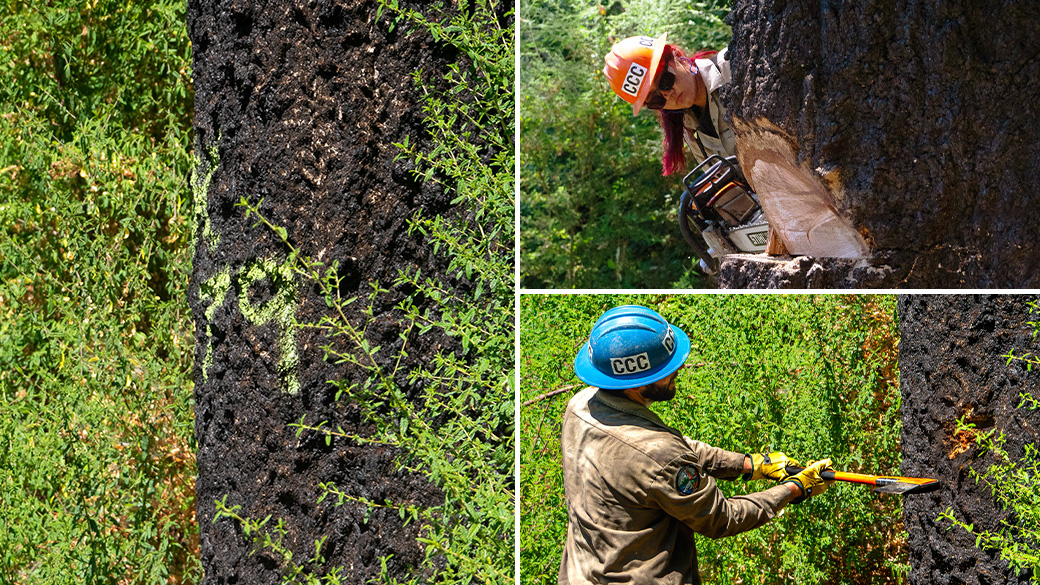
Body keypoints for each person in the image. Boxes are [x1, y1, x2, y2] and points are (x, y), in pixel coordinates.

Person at [559, 305, 834, 585]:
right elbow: (722, 518)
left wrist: (752, 465)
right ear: (635, 381)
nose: (677, 368)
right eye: (665, 367)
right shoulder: (660, 455)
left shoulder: (581, 406)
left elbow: (673, 450)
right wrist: (793, 490)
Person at [603, 33, 736, 175]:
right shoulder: (691, 132)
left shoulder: (734, 68)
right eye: (656, 100)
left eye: (664, 80)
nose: (667, 95)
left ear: (677, 56)